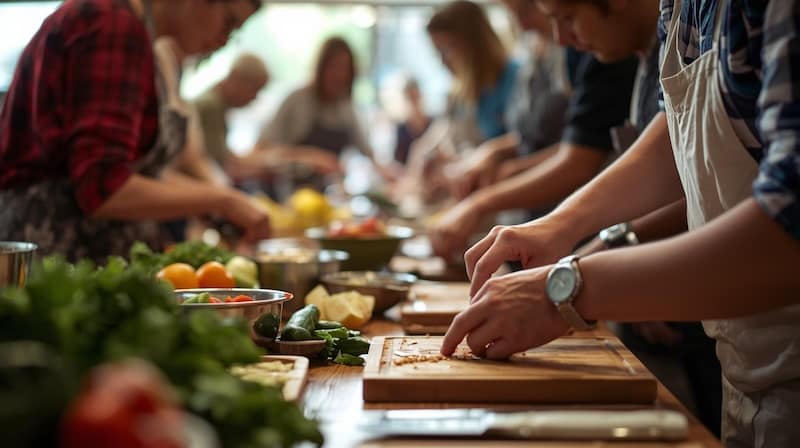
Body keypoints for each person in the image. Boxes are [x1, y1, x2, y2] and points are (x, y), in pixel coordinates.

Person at [442, 1, 800, 446]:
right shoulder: (683, 7)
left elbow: (790, 223)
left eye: (566, 17)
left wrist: (568, 289)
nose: (560, 40)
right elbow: (677, 132)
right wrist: (559, 225)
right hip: (746, 362)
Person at [0, 0, 269, 263]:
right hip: (56, 259)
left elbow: (134, 174)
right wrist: (221, 200)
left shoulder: (135, 30)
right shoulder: (113, 23)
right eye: (229, 22)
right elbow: (103, 189)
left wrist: (217, 202)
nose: (224, 40)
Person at [429, 0, 638, 260]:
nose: (561, 37)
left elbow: (579, 158)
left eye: (526, 10)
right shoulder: (539, 52)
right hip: (549, 228)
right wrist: (496, 156)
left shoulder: (598, 49)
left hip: (577, 228)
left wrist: (484, 200)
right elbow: (538, 139)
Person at [398, 0, 521, 206]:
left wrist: (483, 155)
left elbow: (529, 141)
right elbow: (447, 144)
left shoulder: (516, 79)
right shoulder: (461, 94)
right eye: (437, 52)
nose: (443, 61)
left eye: (446, 49)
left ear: (474, 43)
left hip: (512, 202)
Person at [444, 0, 570, 201]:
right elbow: (526, 136)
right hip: (527, 203)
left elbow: (580, 149)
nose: (522, 25)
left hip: (557, 199)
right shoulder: (531, 55)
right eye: (512, 14)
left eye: (526, 10)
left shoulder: (566, 54)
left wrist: (504, 175)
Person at [257, 36, 393, 186]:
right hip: (287, 193)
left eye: (345, 69)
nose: (339, 75)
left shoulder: (346, 107)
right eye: (334, 67)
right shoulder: (297, 100)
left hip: (326, 195)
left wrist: (390, 173)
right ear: (321, 68)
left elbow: (367, 152)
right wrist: (309, 157)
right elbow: (263, 149)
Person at [193, 52, 269, 169]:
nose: (254, 98)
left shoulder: (217, 104)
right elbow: (220, 163)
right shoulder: (210, 108)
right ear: (236, 78)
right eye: (254, 89)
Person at [393, 78, 432, 166]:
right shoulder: (401, 129)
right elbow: (398, 161)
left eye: (415, 96)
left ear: (420, 95)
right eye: (410, 98)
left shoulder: (434, 124)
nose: (414, 101)